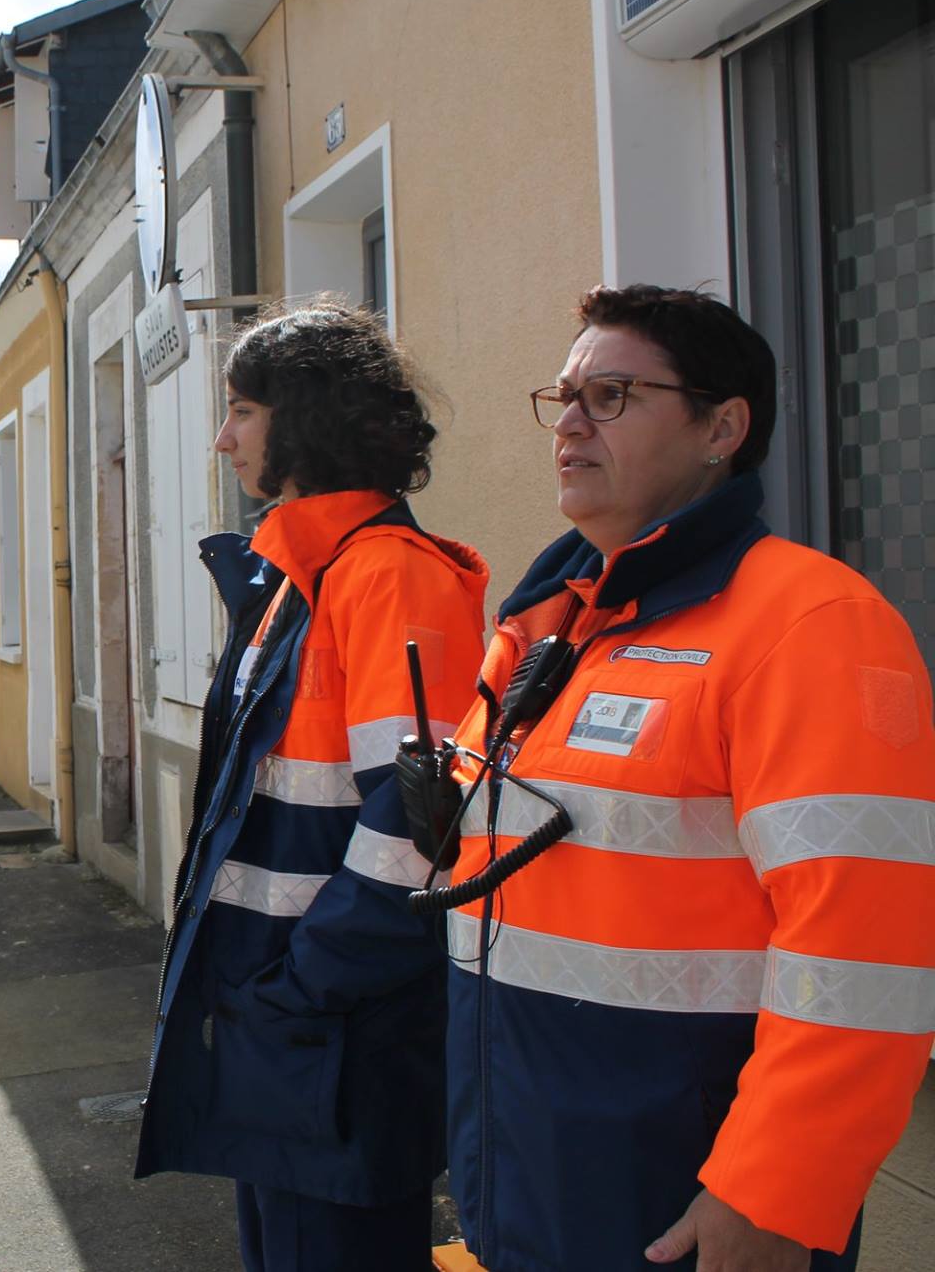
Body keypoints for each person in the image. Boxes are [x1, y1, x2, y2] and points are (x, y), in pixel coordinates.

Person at [438, 286, 935, 1272]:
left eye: (612, 395)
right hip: (524, 1159)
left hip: (686, 1193)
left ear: (721, 427)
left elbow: (862, 950)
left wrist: (775, 1191)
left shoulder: (808, 624)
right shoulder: (549, 626)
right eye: (564, 397)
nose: (569, 424)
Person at [135, 302, 488, 1272]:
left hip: (332, 1026)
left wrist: (297, 990)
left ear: (306, 419)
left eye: (240, 411)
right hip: (289, 1017)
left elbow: (422, 826)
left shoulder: (383, 578)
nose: (221, 437)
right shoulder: (304, 575)